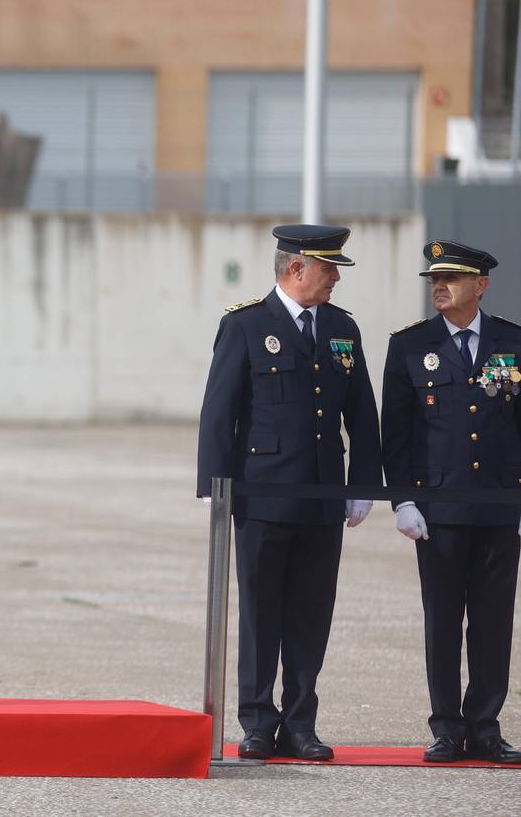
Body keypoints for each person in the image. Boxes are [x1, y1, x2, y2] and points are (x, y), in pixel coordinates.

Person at [196, 224, 380, 760]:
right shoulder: (247, 325)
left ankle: (300, 723)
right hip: (262, 497)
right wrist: (215, 485)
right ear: (296, 269)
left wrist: (362, 483)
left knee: (310, 612)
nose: (334, 281)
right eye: (328, 270)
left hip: (323, 495)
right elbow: (219, 411)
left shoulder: (343, 329)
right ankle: (256, 721)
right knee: (260, 611)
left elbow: (362, 413)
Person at [380, 240, 521, 764]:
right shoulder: (411, 345)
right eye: (435, 280)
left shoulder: (512, 341)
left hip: (499, 508)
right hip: (437, 513)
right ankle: (446, 728)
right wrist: (402, 501)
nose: (439, 287)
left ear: (480, 285)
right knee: (442, 621)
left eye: (453, 279)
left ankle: (484, 725)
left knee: (492, 622)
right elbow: (394, 432)